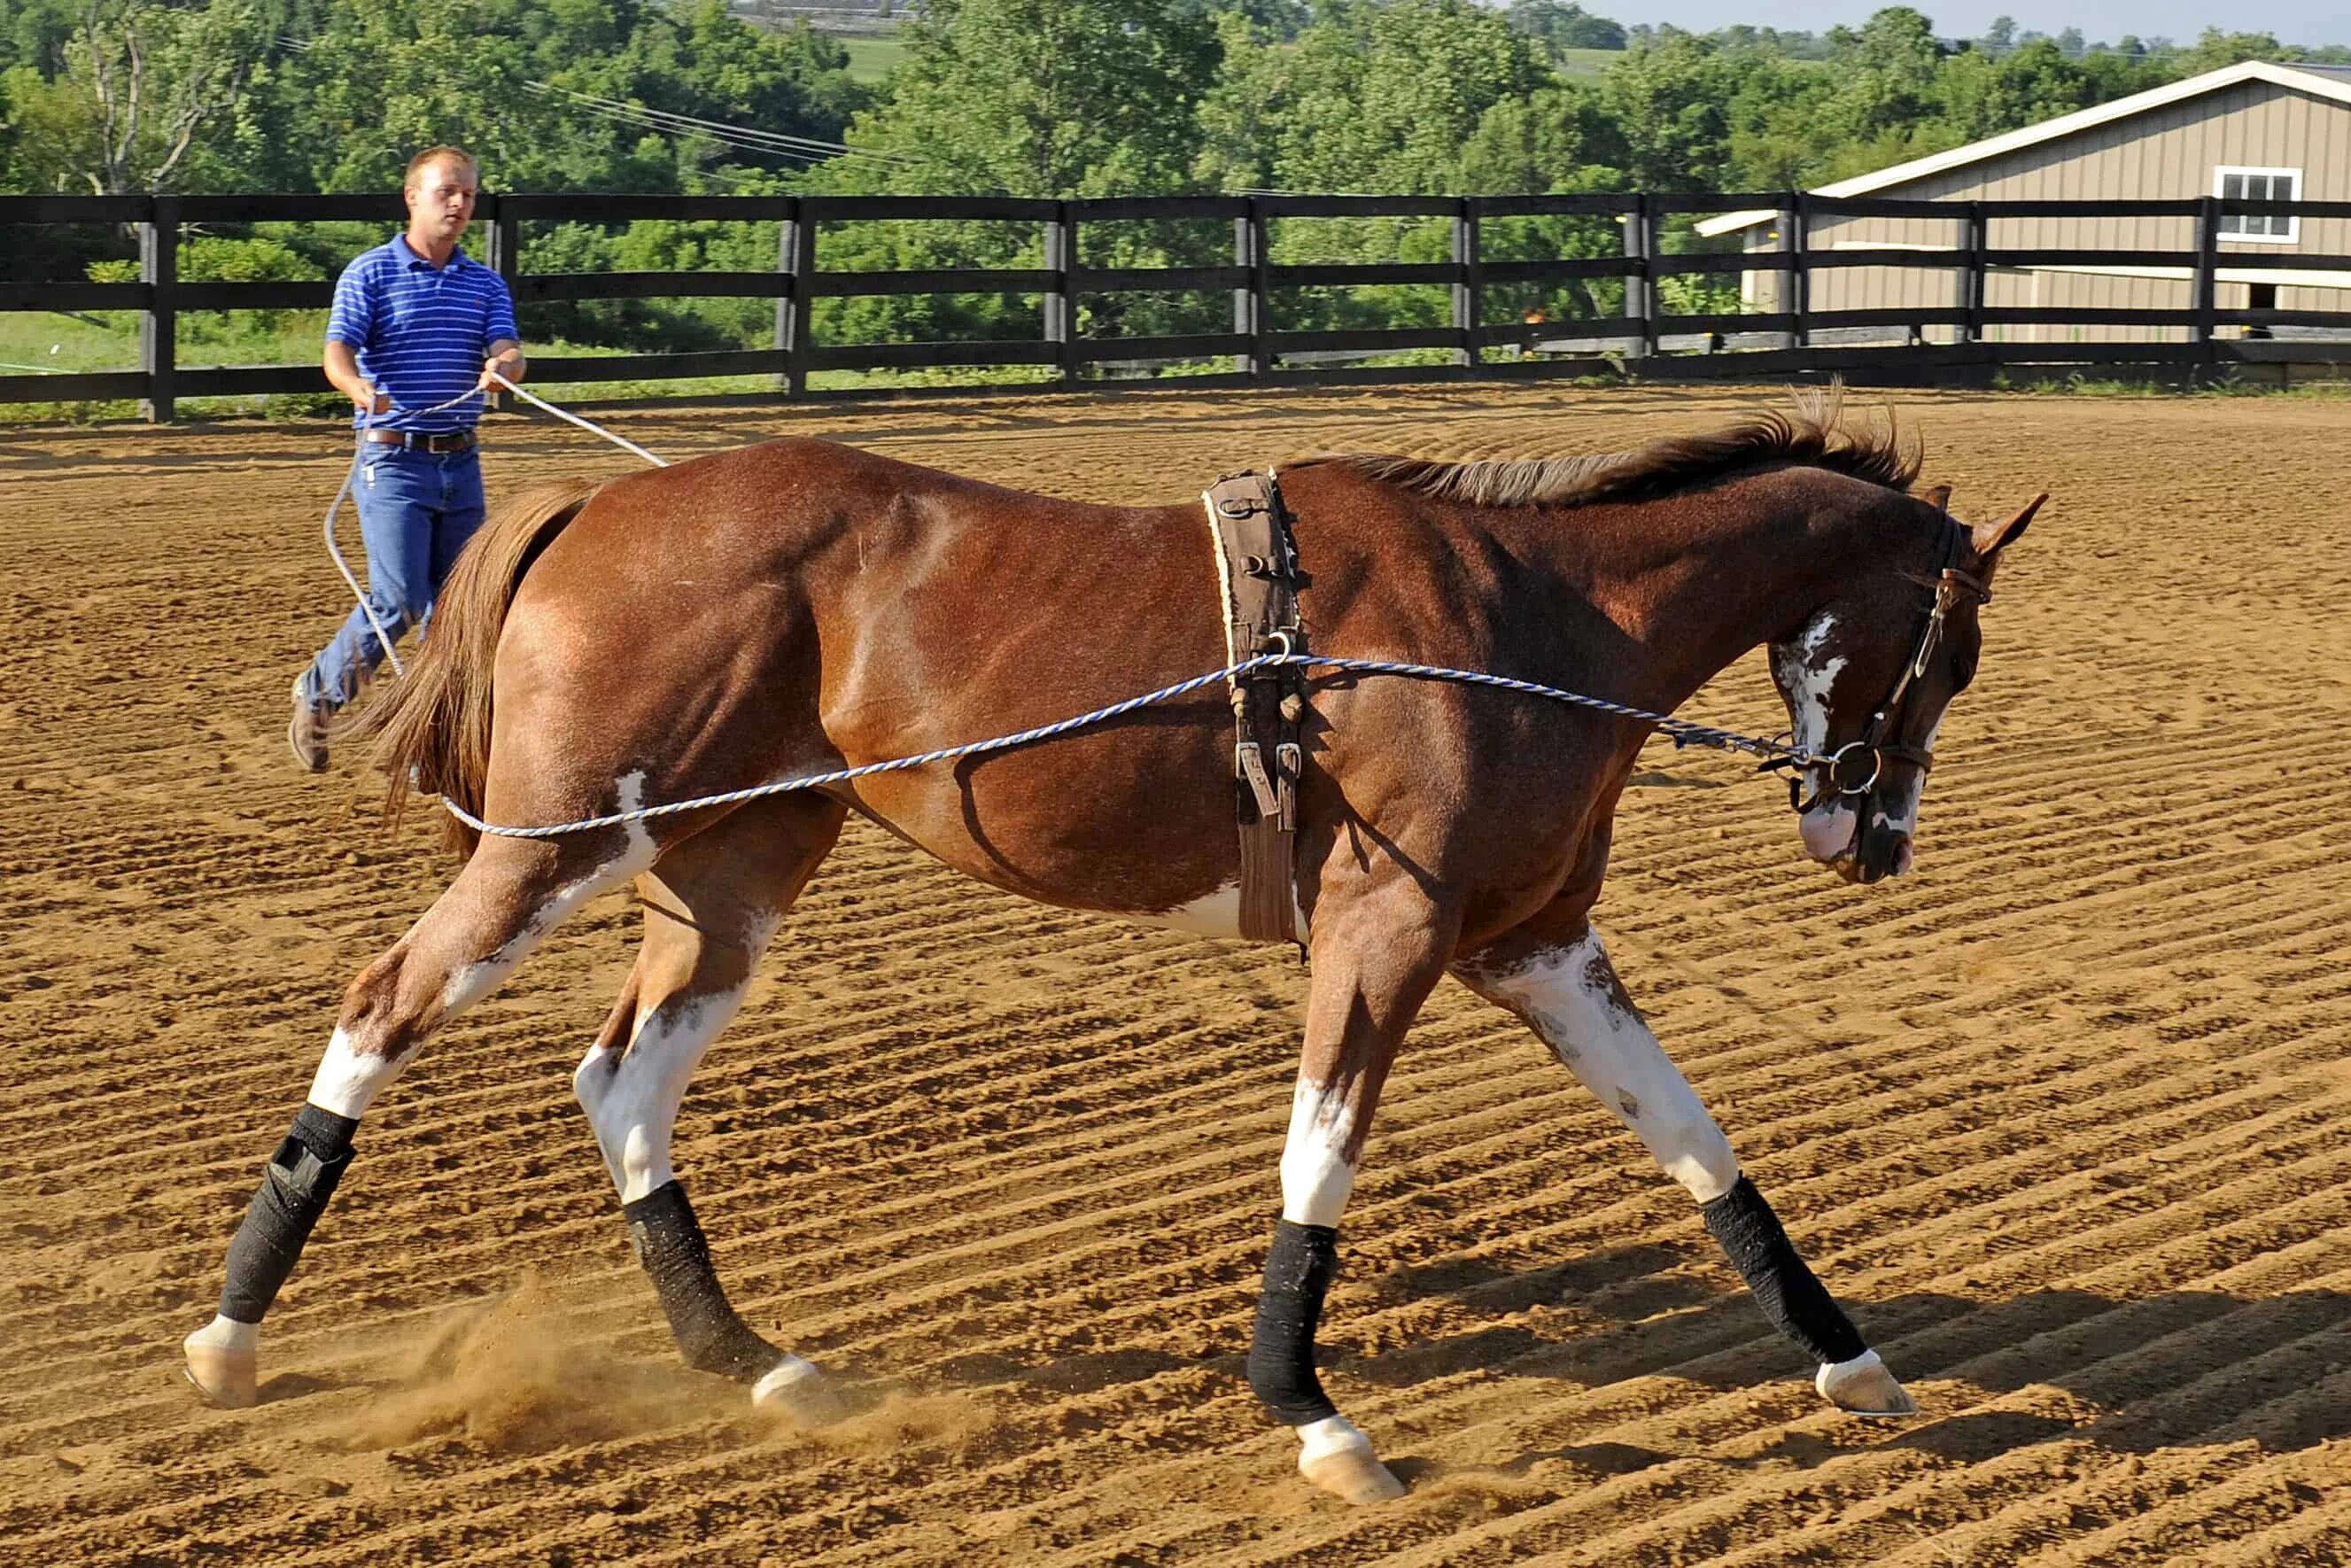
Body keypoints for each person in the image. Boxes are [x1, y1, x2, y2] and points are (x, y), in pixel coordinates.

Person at [290, 144, 526, 772]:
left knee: (456, 607)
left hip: (460, 461)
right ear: (413, 196)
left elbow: (507, 345)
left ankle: (429, 737)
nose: (459, 203)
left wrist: (504, 366)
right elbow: (338, 350)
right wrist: (356, 386)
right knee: (400, 600)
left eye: (468, 194)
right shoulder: (370, 274)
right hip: (392, 459)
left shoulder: (485, 284)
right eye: (448, 191)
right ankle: (319, 692)